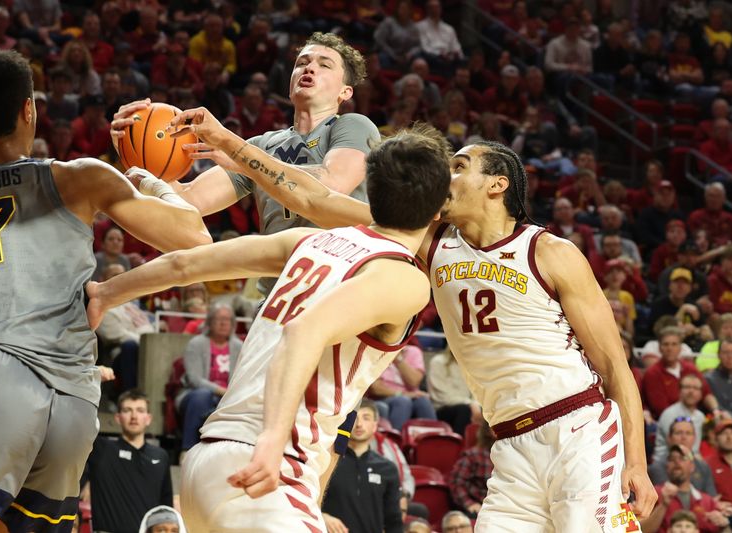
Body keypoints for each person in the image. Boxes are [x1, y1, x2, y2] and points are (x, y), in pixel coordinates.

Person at [189, 136, 658, 527]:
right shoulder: (431, 245)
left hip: (577, 428)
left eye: (459, 166)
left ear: (497, 184)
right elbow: (314, 200)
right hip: (510, 445)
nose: (446, 177)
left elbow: (616, 367)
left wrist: (635, 461)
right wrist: (232, 145)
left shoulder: (549, 251)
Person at [85, 124, 451, 531]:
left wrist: (105, 293)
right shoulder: (403, 277)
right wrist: (272, 440)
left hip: (206, 461)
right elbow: (303, 332)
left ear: (371, 189)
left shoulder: (311, 241)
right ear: (439, 211)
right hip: (268, 466)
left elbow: (185, 264)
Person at [0, 50, 209, 533]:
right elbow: (194, 238)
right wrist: (148, 177)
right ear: (29, 110)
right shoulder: (81, 176)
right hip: (74, 399)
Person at [111, 32, 378, 296]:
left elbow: (332, 184)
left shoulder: (352, 125)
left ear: (345, 91)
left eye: (324, 64)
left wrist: (241, 155)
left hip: (339, 287)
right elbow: (187, 200)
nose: (309, 68)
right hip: (278, 297)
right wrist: (133, 147)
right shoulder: (261, 146)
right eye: (302, 62)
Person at [85, 390, 174, 533]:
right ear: (118, 417)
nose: (134, 416)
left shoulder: (161, 456)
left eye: (140, 410)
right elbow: (79, 422)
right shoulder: (101, 450)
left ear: (148, 418)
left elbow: (166, 508)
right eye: (127, 410)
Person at [322, 400, 404, 533]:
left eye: (366, 418)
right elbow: (308, 499)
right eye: (354, 418)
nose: (359, 424)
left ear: (375, 425)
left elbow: (393, 520)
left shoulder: (388, 468)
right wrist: (322, 516)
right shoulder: (327, 459)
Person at [177, 303, 242, 452]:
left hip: (229, 396)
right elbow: (194, 379)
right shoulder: (196, 344)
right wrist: (221, 391)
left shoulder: (239, 346)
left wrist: (229, 394)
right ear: (209, 322)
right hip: (195, 394)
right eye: (218, 319)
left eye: (227, 319)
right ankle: (188, 450)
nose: (223, 323)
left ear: (233, 324)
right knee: (202, 396)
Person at [641, 444, 728, 533]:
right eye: (672, 459)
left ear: (692, 466)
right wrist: (663, 505)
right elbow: (641, 530)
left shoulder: (707, 501)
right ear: (667, 466)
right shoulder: (653, 494)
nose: (677, 462)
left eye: (682, 458)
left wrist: (724, 524)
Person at [448, 420, 495, 518]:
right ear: (487, 431)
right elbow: (456, 482)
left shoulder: (512, 455)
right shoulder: (473, 455)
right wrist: (469, 504)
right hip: (480, 507)